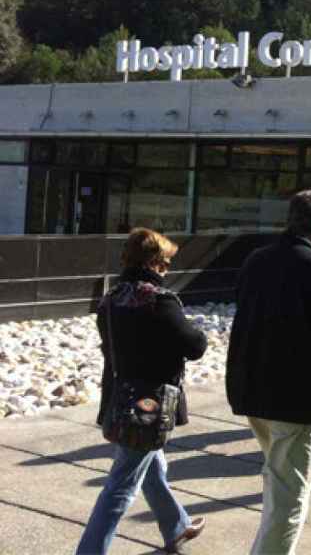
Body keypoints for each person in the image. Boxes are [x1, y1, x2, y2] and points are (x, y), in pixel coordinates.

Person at [226, 190, 311, 555]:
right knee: (289, 500)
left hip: (252, 389)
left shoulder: (257, 261)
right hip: (295, 397)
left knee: (278, 483)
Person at [78, 228, 208, 555]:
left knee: (152, 467)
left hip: (121, 399)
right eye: (165, 262)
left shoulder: (111, 300)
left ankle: (176, 528)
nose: (167, 268)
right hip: (150, 405)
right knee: (122, 486)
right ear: (154, 263)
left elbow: (111, 354)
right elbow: (195, 346)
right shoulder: (159, 301)